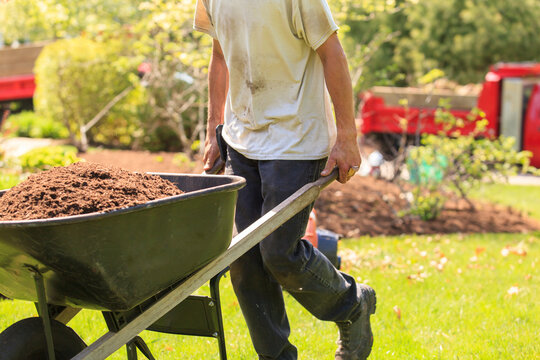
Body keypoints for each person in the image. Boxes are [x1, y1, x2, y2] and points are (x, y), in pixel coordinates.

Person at [194, 1, 376, 359]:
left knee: (279, 253)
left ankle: (353, 304)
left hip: (297, 139)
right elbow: (219, 55)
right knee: (245, 261)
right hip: (241, 137)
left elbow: (332, 53)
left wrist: (347, 137)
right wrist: (214, 129)